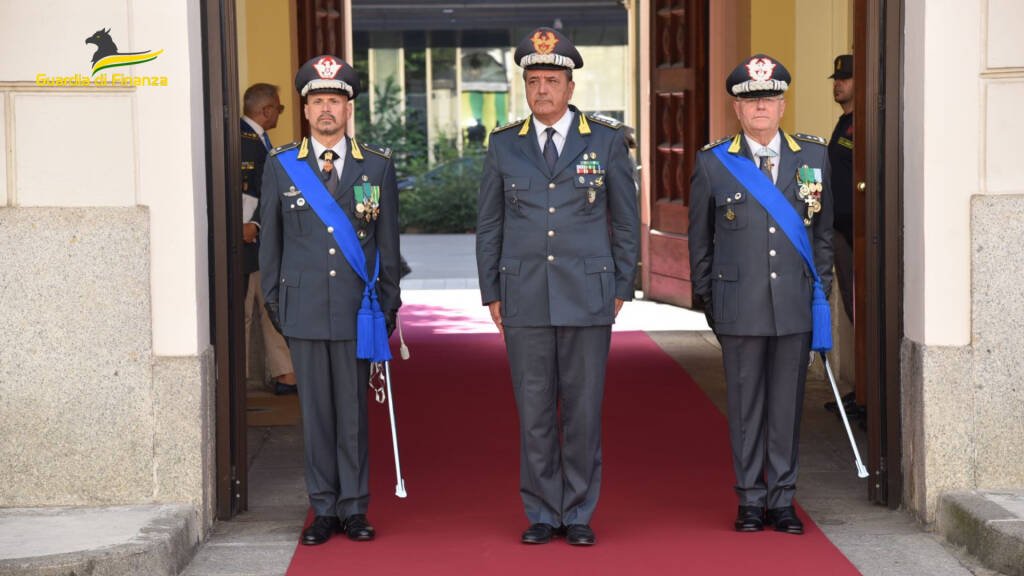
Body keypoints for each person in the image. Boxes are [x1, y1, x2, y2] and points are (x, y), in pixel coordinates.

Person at [475, 27, 640, 547]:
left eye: (551, 80)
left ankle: (580, 512)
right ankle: (543, 510)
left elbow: (627, 222)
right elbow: (489, 225)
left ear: (571, 87)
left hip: (588, 293)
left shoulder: (608, 141)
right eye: (533, 80)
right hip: (523, 296)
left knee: (583, 410)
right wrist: (491, 292)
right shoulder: (504, 145)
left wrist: (620, 285)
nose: (541, 89)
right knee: (535, 411)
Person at [688, 54, 834, 535]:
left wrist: (819, 294)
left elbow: (824, 235)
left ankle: (783, 500)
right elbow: (699, 242)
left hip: (793, 305)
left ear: (783, 104)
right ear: (737, 108)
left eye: (769, 99)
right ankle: (750, 500)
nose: (761, 109)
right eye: (751, 102)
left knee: (786, 408)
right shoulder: (714, 162)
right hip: (739, 307)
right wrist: (712, 303)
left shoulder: (812, 157)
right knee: (746, 408)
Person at [260, 55, 401, 545]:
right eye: (317, 100)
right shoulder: (281, 166)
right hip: (301, 311)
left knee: (352, 416)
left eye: (335, 101)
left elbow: (389, 243)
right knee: (315, 416)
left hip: (355, 311)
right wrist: (275, 303)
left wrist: (388, 307)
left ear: (348, 109)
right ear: (304, 109)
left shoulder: (377, 165)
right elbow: (270, 245)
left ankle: (355, 508)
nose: (326, 109)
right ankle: (323, 508)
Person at [240, 83, 297, 395]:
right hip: (248, 239)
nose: (279, 113)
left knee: (272, 304)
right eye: (279, 107)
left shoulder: (258, 139)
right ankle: (241, 380)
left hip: (264, 240)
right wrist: (251, 224)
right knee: (246, 311)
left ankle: (285, 373)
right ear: (266, 111)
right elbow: (247, 191)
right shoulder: (243, 140)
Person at [828, 54, 854, 323]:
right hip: (839, 228)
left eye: (845, 78)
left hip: (855, 230)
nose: (838, 84)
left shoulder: (864, 122)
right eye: (836, 79)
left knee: (858, 300)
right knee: (850, 298)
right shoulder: (843, 122)